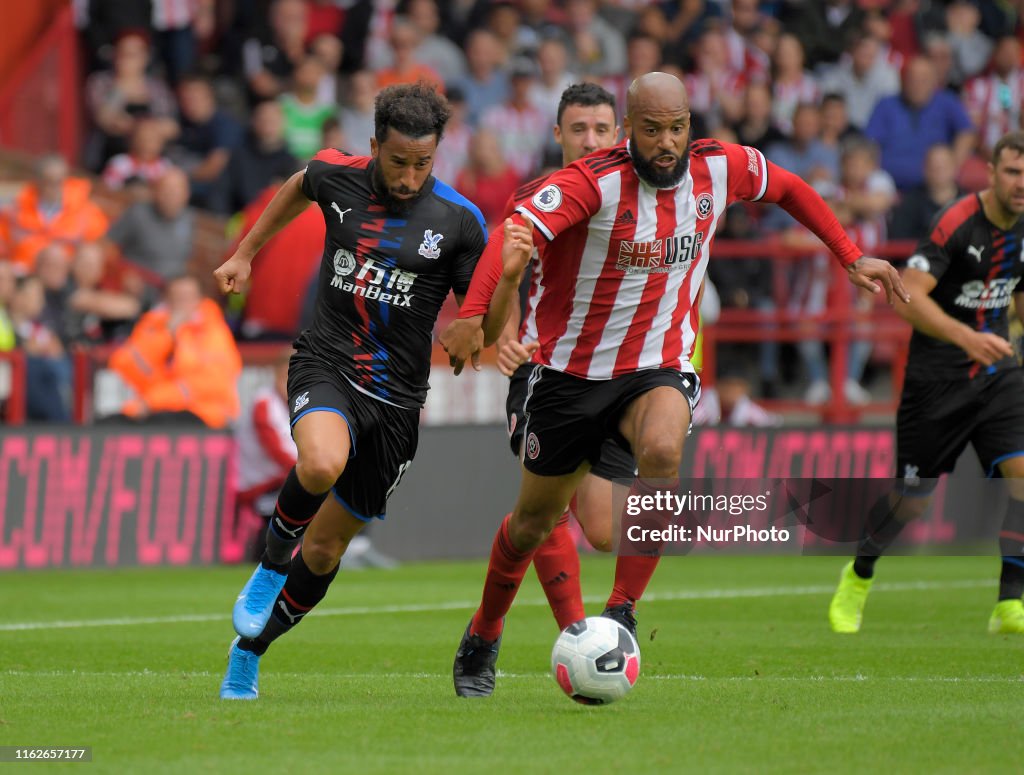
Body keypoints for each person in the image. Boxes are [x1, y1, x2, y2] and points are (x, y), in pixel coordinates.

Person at [442, 71, 907, 698]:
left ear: (690, 124)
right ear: (629, 130)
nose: (666, 142)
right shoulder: (590, 183)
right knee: (534, 524)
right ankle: (485, 630)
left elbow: (792, 187)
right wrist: (474, 316)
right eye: (652, 129)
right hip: (569, 376)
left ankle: (622, 612)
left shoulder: (721, 168)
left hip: (657, 368)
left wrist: (850, 256)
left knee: (663, 449)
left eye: (677, 127)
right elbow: (509, 238)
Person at [215, 83, 488, 700]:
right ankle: (268, 563)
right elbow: (297, 185)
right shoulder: (339, 176)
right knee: (319, 460)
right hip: (328, 363)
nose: (410, 175)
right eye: (398, 162)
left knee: (329, 546)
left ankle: (249, 651)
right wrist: (246, 254)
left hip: (397, 404)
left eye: (423, 163)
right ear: (374, 148)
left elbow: (484, 309)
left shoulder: (459, 220)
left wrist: (482, 326)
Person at [828, 131, 1024, 636]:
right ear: (991, 171)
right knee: (911, 502)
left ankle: (1010, 602)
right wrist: (968, 337)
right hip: (936, 382)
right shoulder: (958, 222)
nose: (1021, 184)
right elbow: (906, 296)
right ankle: (860, 572)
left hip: (998, 375)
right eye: (1012, 172)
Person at [493, 82, 624, 632]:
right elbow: (504, 276)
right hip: (546, 368)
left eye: (600, 128)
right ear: (558, 135)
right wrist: (504, 331)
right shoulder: (537, 198)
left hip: (617, 372)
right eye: (578, 129)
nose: (589, 139)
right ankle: (576, 632)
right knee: (544, 515)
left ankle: (538, 512)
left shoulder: (640, 196)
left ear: (617, 134)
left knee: (602, 531)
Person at [108, 274, 241, 428]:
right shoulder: (153, 325)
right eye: (177, 298)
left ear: (198, 299)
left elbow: (214, 384)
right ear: (167, 300)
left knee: (158, 425)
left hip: (204, 414)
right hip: (156, 410)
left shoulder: (213, 331)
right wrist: (166, 335)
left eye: (187, 297)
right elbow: (126, 366)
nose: (183, 304)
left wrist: (154, 400)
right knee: (107, 425)